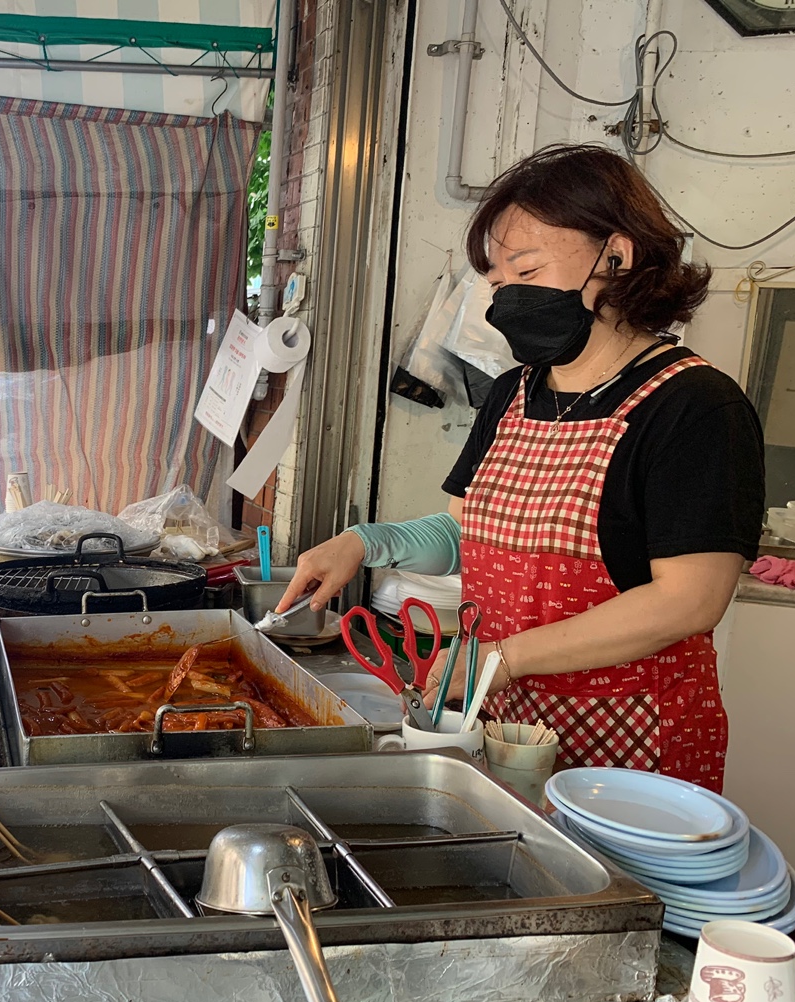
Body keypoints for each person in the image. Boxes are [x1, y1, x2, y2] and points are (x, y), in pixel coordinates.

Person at [278, 144, 764, 793]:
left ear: (616, 257)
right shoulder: (514, 392)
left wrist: (503, 658)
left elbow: (688, 601)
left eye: (526, 267)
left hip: (633, 744)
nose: (504, 294)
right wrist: (366, 542)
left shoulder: (695, 406)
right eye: (498, 279)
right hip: (506, 723)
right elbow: (470, 534)